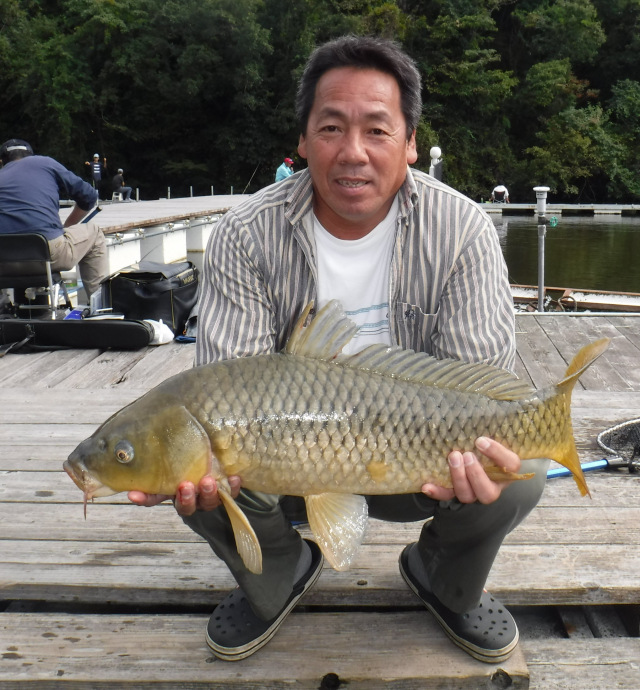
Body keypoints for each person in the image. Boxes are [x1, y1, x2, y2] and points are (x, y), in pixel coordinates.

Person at [129, 36, 549, 664]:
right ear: (302, 140)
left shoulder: (463, 230)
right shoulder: (245, 233)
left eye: (377, 130)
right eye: (331, 127)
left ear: (410, 142)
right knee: (191, 458)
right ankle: (278, 571)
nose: (353, 152)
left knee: (523, 465)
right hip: (280, 468)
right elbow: (221, 384)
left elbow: (483, 383)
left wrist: (478, 457)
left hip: (417, 460)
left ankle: (442, 573)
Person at [0, 139, 108, 298]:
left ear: (2, 162)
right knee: (94, 232)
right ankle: (101, 307)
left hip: (4, 261)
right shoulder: (44, 163)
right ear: (31, 155)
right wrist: (66, 227)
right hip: (49, 254)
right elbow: (89, 196)